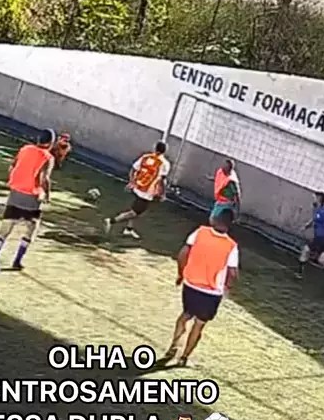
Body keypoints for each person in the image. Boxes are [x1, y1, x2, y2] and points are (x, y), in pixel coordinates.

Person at [160, 208, 239, 367]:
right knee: (199, 324)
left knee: (185, 316)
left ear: (216, 219)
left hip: (191, 284)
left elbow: (183, 254)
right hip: (211, 292)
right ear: (230, 224)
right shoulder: (231, 246)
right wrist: (227, 287)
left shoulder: (200, 232)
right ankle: (184, 357)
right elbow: (233, 273)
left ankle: (173, 347)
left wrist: (181, 274)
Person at [0, 128, 55, 273]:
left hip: (15, 194)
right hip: (32, 198)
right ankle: (17, 261)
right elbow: (44, 179)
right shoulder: (47, 157)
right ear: (51, 143)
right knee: (31, 229)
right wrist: (47, 195)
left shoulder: (25, 149)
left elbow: (12, 167)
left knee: (5, 229)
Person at [103, 141, 170, 239]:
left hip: (138, 186)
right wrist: (162, 194)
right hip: (147, 191)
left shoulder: (146, 157)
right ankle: (111, 221)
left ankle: (128, 229)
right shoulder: (164, 163)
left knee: (135, 209)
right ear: (165, 150)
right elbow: (162, 180)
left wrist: (132, 182)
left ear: (155, 148)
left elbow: (133, 169)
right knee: (135, 213)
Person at [207, 159, 241, 224]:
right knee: (214, 218)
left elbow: (237, 196)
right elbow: (220, 179)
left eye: (225, 167)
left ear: (229, 169)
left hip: (226, 203)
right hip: (220, 200)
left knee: (214, 219)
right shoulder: (221, 172)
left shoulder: (231, 182)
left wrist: (237, 212)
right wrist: (211, 178)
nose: (223, 167)